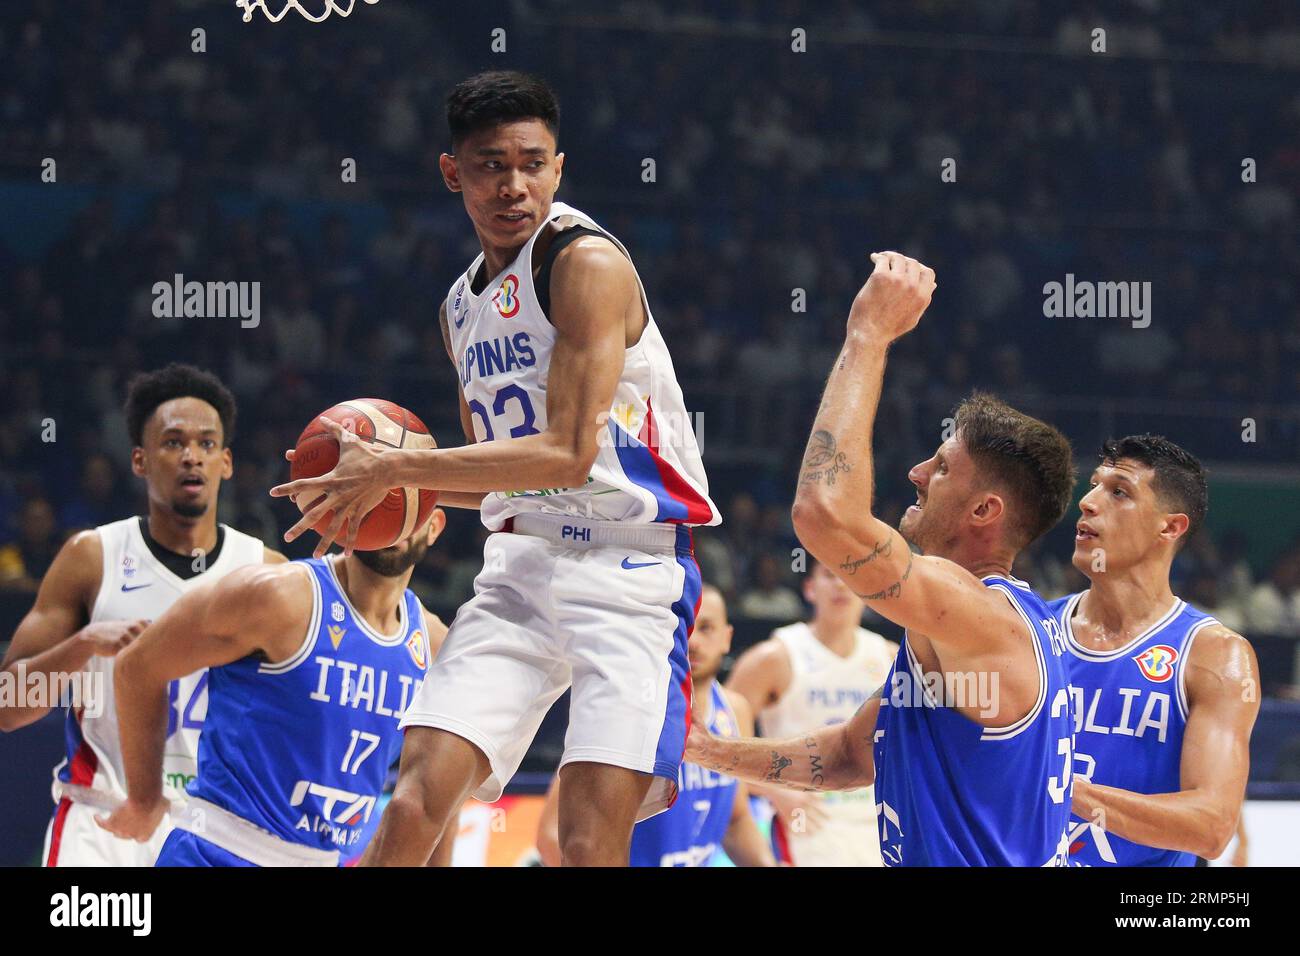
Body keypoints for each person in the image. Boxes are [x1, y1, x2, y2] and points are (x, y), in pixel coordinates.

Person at [270, 71, 719, 866]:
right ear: (454, 172)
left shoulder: (586, 265)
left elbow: (565, 453)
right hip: (519, 567)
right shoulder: (458, 309)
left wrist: (397, 471)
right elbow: (501, 477)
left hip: (631, 571)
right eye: (489, 165)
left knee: (585, 843)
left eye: (532, 163)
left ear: (558, 166)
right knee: (413, 801)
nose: (514, 185)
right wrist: (360, 486)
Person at [686, 251, 1078, 866]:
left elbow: (824, 514)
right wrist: (706, 750)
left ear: (984, 512)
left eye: (943, 467)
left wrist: (867, 334)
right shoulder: (969, 629)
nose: (917, 472)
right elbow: (848, 756)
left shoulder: (977, 610)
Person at [0, 364, 281, 865]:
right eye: (172, 443)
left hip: (213, 830)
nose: (192, 456)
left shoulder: (265, 572)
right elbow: (8, 708)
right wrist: (83, 644)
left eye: (207, 443)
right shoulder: (92, 556)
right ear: (139, 460)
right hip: (104, 822)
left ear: (227, 462)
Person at [97, 515, 450, 866]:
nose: (397, 514)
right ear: (349, 511)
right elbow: (137, 667)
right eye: (384, 499)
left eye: (412, 502)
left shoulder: (436, 647)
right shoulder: (277, 595)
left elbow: (438, 791)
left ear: (434, 526)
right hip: (218, 851)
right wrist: (144, 799)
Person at [1051, 435, 1260, 866]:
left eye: (1119, 492)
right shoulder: (1032, 630)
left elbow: (1211, 827)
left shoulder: (1214, 655)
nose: (1087, 502)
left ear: (1169, 526)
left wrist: (1064, 790)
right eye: (1093, 484)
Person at [536, 585, 774, 867]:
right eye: (685, 627)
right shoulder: (626, 705)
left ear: (727, 638)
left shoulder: (735, 710)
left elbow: (735, 819)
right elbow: (552, 834)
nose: (694, 641)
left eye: (707, 628)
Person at [727, 559, 895, 865]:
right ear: (809, 588)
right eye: (830, 576)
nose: (841, 584)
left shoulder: (890, 657)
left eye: (850, 576)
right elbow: (720, 747)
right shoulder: (775, 656)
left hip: (877, 827)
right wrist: (773, 791)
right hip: (805, 827)